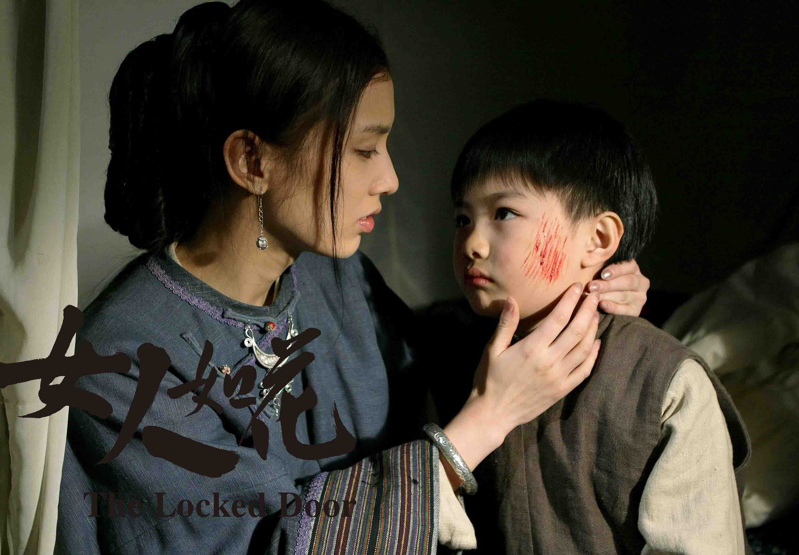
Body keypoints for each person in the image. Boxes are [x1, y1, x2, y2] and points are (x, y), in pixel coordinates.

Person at [56, 2, 651, 554]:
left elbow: (439, 368)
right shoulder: (121, 362)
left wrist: (579, 299)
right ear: (253, 161)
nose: (390, 179)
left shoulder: (333, 276)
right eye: (366, 150)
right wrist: (482, 424)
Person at [446, 99, 753, 554]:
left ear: (598, 239)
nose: (472, 242)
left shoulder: (663, 381)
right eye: (462, 219)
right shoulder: (451, 359)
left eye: (504, 213)